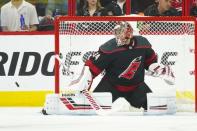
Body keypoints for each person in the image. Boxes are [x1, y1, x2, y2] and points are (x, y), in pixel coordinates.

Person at [68, 21, 175, 110]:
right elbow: (91, 68)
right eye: (117, 34)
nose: (119, 38)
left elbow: (150, 62)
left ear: (130, 35)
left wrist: (160, 69)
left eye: (122, 34)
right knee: (92, 108)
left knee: (155, 109)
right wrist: (83, 86)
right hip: (111, 86)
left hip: (136, 87)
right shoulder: (109, 48)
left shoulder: (143, 44)